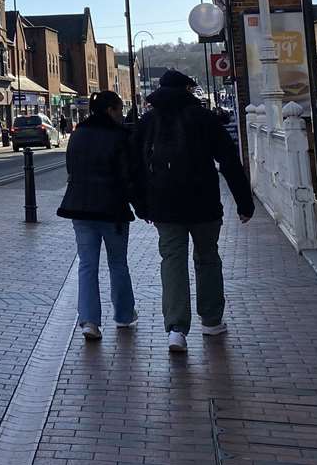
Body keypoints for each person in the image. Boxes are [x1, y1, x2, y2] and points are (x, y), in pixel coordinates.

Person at [131, 69, 254, 354]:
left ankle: (176, 329)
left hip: (164, 205)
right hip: (204, 203)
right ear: (187, 90)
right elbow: (229, 161)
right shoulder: (203, 118)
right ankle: (211, 320)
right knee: (207, 258)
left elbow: (134, 166)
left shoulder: (149, 120)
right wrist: (244, 202)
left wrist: (142, 205)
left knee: (172, 262)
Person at [57, 91, 137, 340]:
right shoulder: (120, 136)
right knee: (118, 263)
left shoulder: (77, 134)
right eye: (119, 109)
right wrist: (143, 206)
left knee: (87, 265)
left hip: (79, 208)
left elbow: (71, 167)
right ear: (110, 110)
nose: (122, 114)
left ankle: (90, 321)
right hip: (112, 210)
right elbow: (128, 177)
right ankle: (124, 315)